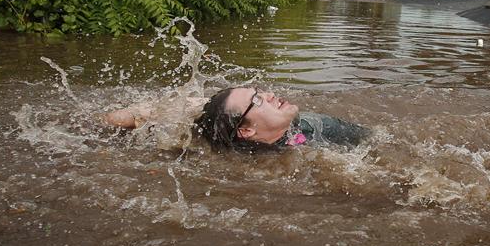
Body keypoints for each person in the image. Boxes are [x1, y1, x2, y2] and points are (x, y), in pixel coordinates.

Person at [101, 86, 370, 150]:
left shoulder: (322, 129)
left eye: (260, 92)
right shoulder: (203, 143)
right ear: (245, 131)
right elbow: (115, 118)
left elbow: (374, 140)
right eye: (257, 100)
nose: (270, 94)